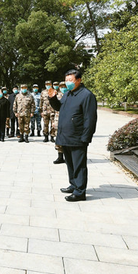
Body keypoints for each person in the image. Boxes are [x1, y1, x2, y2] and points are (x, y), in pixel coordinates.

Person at [49, 69, 98, 202]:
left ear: (78, 80)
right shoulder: (68, 94)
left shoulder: (86, 95)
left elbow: (90, 118)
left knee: (79, 165)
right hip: (65, 136)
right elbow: (59, 107)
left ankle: (80, 192)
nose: (67, 83)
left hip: (77, 137)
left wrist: (86, 137)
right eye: (66, 80)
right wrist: (53, 98)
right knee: (70, 163)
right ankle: (73, 184)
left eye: (70, 80)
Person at [53, 82, 66, 164]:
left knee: (67, 139)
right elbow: (54, 110)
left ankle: (68, 157)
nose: (63, 88)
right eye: (61, 86)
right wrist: (54, 121)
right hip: (58, 120)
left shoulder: (71, 95)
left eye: (64, 86)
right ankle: (60, 156)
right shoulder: (57, 96)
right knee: (59, 138)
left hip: (68, 120)